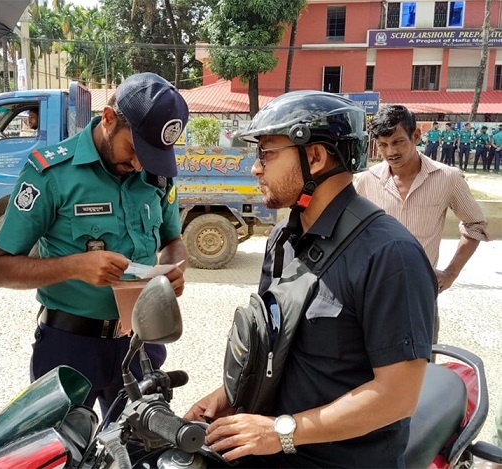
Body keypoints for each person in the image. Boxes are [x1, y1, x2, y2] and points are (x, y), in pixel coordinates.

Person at [185, 91, 436, 468]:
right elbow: (277, 345)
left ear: (315, 157)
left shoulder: (390, 255)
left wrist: (281, 432)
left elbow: (397, 396)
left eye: (267, 154)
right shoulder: (283, 238)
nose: (255, 169)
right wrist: (228, 394)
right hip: (272, 451)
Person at [0, 72, 189, 416]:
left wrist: (172, 270)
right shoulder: (52, 173)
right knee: (62, 443)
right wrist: (75, 267)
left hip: (139, 343)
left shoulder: (156, 175)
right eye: (134, 149)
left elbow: (173, 240)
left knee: (140, 443)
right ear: (108, 118)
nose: (139, 164)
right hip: (69, 346)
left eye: (152, 155)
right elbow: (0, 270)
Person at [355, 105, 489, 343]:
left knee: (423, 361)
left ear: (415, 136)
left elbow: (475, 225)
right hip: (373, 294)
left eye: (398, 142)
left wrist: (451, 273)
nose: (390, 152)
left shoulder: (447, 178)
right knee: (370, 360)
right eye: (383, 145)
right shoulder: (366, 181)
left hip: (421, 294)